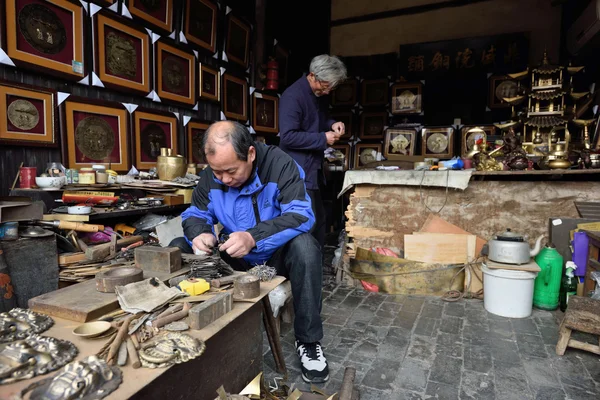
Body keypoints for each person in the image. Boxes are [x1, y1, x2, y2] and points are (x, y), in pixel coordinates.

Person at [173, 121, 330, 383]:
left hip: (275, 256)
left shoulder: (281, 166)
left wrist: (252, 238)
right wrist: (199, 233)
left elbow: (301, 215)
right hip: (234, 256)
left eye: (231, 171)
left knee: (306, 247)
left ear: (251, 154)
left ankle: (309, 341)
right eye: (217, 172)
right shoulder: (212, 176)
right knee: (179, 245)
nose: (224, 179)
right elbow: (195, 213)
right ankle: (184, 328)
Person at [278, 54, 348, 249]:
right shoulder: (293, 96)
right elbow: (288, 136)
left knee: (318, 222)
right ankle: (301, 270)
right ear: (312, 75)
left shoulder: (317, 95)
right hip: (297, 171)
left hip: (313, 170)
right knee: (306, 224)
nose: (328, 91)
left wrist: (333, 124)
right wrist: (323, 138)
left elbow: (320, 119)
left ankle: (314, 269)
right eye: (326, 85)